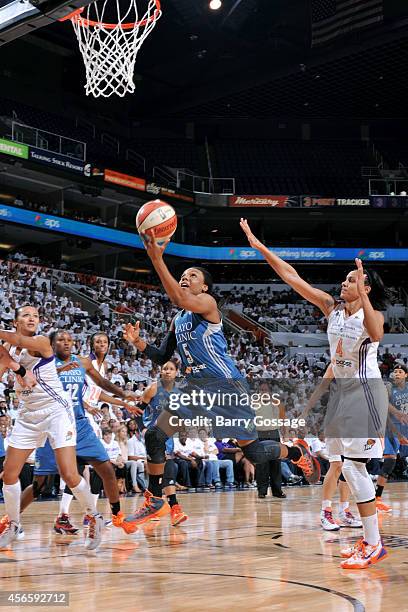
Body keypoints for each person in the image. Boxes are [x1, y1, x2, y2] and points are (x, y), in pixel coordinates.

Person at [121, 232, 320, 530]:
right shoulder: (179, 320)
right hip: (194, 388)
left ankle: (296, 452)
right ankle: (155, 499)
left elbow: (177, 296)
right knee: (154, 436)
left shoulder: (208, 304)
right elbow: (164, 356)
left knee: (253, 452)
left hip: (226, 386)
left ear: (205, 287)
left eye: (192, 275)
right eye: (184, 274)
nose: (185, 277)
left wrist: (156, 258)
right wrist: (139, 344)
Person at [241, 218, 389, 569]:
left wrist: (366, 296)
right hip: (342, 396)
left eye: (352, 280)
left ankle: (373, 543)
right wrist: (260, 247)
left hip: (365, 394)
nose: (344, 282)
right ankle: (368, 541)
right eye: (347, 279)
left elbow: (377, 334)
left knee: (353, 468)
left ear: (366, 288)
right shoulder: (331, 308)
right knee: (343, 466)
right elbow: (292, 277)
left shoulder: (374, 315)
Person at [0, 330, 142, 538]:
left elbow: (100, 384)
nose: (66, 343)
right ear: (51, 343)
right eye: (61, 340)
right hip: (51, 424)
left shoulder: (82, 362)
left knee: (106, 471)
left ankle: (115, 515)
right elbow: (31, 380)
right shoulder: (41, 360)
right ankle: (11, 521)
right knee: (40, 484)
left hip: (80, 426)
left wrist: (124, 396)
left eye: (69, 340)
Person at [0, 307, 103, 550]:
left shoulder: (41, 341)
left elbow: (15, 339)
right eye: (26, 315)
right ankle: (14, 524)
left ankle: (94, 516)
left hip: (56, 411)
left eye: (35, 315)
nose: (32, 318)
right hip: (28, 414)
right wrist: (14, 367)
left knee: (69, 473)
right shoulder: (10, 350)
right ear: (16, 320)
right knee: (10, 474)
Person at [302, 364, 362, 531]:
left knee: (349, 468)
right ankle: (325, 512)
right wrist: (306, 410)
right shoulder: (336, 363)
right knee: (336, 465)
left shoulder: (364, 364)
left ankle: (344, 511)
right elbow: (321, 388)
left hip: (354, 421)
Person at [136, 360, 188, 526]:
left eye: (171, 369)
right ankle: (172, 507)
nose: (167, 371)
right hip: (153, 435)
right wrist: (143, 429)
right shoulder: (153, 388)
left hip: (168, 435)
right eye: (164, 368)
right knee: (161, 470)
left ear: (175, 373)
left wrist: (183, 432)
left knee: (167, 468)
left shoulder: (179, 392)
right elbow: (137, 412)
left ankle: (162, 507)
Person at [375, 365, 408, 513]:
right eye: (395, 371)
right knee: (389, 461)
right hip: (391, 428)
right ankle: (377, 499)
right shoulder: (388, 387)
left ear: (406, 375)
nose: (397, 374)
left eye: (400, 372)